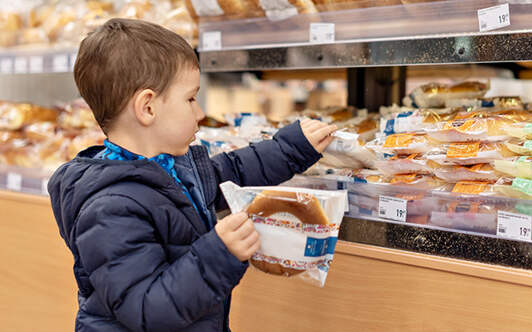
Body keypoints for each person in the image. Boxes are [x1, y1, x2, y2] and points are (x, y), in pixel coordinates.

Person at [48, 18, 337, 332]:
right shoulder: (109, 209)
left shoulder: (173, 167)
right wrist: (218, 254)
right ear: (147, 108)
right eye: (190, 98)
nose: (200, 113)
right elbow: (148, 310)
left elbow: (234, 171)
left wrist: (291, 148)